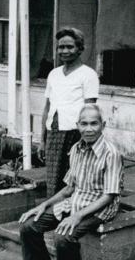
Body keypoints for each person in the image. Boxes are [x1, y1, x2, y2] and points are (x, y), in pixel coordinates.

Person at [17, 103, 123, 260]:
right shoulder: (76, 149)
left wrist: (77, 216)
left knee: (63, 236)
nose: (89, 128)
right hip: (75, 201)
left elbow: (109, 196)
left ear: (103, 125)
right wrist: (43, 205)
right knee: (29, 225)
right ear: (78, 125)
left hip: (99, 207)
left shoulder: (111, 153)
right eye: (84, 124)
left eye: (94, 123)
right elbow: (68, 189)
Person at [40, 28, 99, 197]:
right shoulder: (54, 74)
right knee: (53, 177)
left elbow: (90, 110)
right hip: (54, 131)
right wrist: (42, 139)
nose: (64, 51)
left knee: (74, 175)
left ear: (80, 49)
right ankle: (53, 213)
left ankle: (71, 212)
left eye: (70, 47)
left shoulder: (88, 75)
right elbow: (47, 107)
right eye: (61, 47)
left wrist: (87, 139)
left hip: (75, 133)